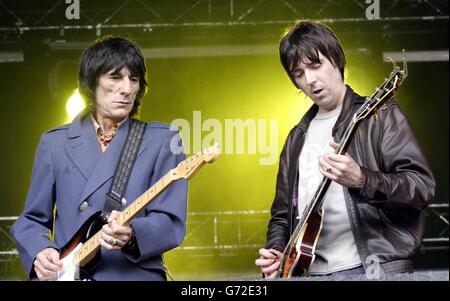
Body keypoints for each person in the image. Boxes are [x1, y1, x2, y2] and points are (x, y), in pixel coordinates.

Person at [255, 20, 435, 278]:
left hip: (372, 269)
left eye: (316, 65)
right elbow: (282, 216)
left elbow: (421, 188)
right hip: (307, 272)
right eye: (299, 73)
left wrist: (362, 179)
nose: (310, 79)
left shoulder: (379, 116)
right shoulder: (296, 138)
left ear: (337, 60)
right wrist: (277, 252)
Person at [11, 37, 188, 281]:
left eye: (133, 79)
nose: (126, 89)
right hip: (71, 274)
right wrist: (40, 252)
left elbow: (170, 221)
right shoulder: (54, 144)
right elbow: (31, 219)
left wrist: (133, 235)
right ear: (92, 83)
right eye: (115, 77)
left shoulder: (163, 140)